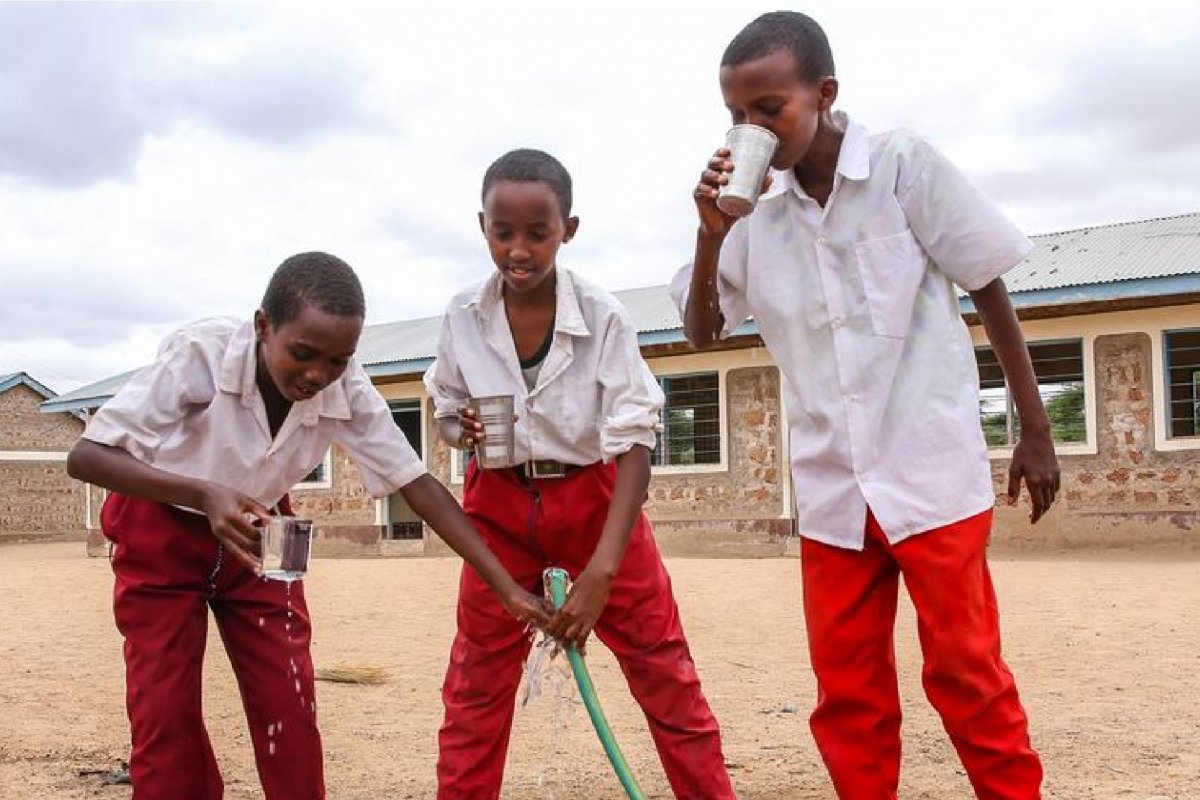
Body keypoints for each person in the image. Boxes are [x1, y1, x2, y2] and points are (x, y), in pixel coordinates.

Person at [673, 11, 1060, 799]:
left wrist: (1037, 431)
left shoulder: (901, 166)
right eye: (735, 114)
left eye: (767, 109)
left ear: (824, 93)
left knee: (968, 674)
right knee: (847, 695)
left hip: (929, 475)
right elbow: (702, 335)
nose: (749, 128)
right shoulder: (754, 216)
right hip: (832, 493)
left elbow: (987, 283)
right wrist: (711, 235)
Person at [66, 252, 549, 800]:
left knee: (288, 700)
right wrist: (203, 493)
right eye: (302, 354)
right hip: (161, 522)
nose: (318, 376)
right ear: (262, 326)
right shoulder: (200, 356)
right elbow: (87, 456)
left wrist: (505, 585)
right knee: (165, 709)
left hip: (261, 529)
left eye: (338, 360)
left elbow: (417, 485)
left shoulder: (348, 392)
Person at [425, 149, 736, 800]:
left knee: (665, 674)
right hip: (499, 507)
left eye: (538, 233)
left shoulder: (602, 316)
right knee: (475, 688)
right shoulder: (461, 317)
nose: (518, 249)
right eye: (502, 232)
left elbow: (636, 440)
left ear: (569, 229)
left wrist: (602, 571)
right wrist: (462, 428)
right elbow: (446, 407)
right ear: (481, 225)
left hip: (597, 502)